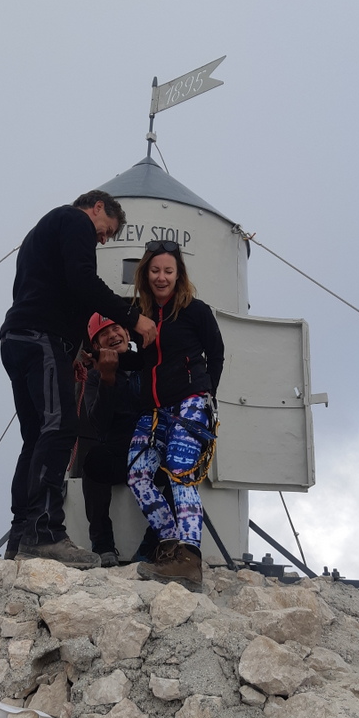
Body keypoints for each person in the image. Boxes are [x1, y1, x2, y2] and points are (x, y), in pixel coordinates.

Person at [0, 191, 156, 568]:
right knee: (60, 428)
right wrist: (133, 318)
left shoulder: (39, 235)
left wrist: (75, 351)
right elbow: (84, 281)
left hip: (18, 339)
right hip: (42, 339)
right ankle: (45, 533)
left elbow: (53, 292)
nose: (103, 239)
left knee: (35, 436)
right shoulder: (74, 220)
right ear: (97, 207)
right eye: (107, 231)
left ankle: (21, 535)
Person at [127, 240, 224, 588]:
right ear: (145, 274)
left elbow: (217, 353)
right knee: (138, 474)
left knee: (181, 472)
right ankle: (170, 546)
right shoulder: (140, 315)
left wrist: (206, 393)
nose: (161, 277)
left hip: (190, 402)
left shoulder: (195, 310)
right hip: (155, 409)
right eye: (155, 270)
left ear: (178, 274)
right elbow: (144, 361)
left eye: (168, 271)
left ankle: (189, 558)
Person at [80, 312, 159, 566]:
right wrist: (108, 378)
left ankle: (151, 546)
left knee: (181, 470)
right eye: (104, 334)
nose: (113, 335)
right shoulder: (94, 377)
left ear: (127, 332)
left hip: (150, 453)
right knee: (93, 461)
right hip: (118, 454)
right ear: (96, 345)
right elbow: (99, 424)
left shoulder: (148, 366)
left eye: (116, 329)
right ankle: (103, 546)